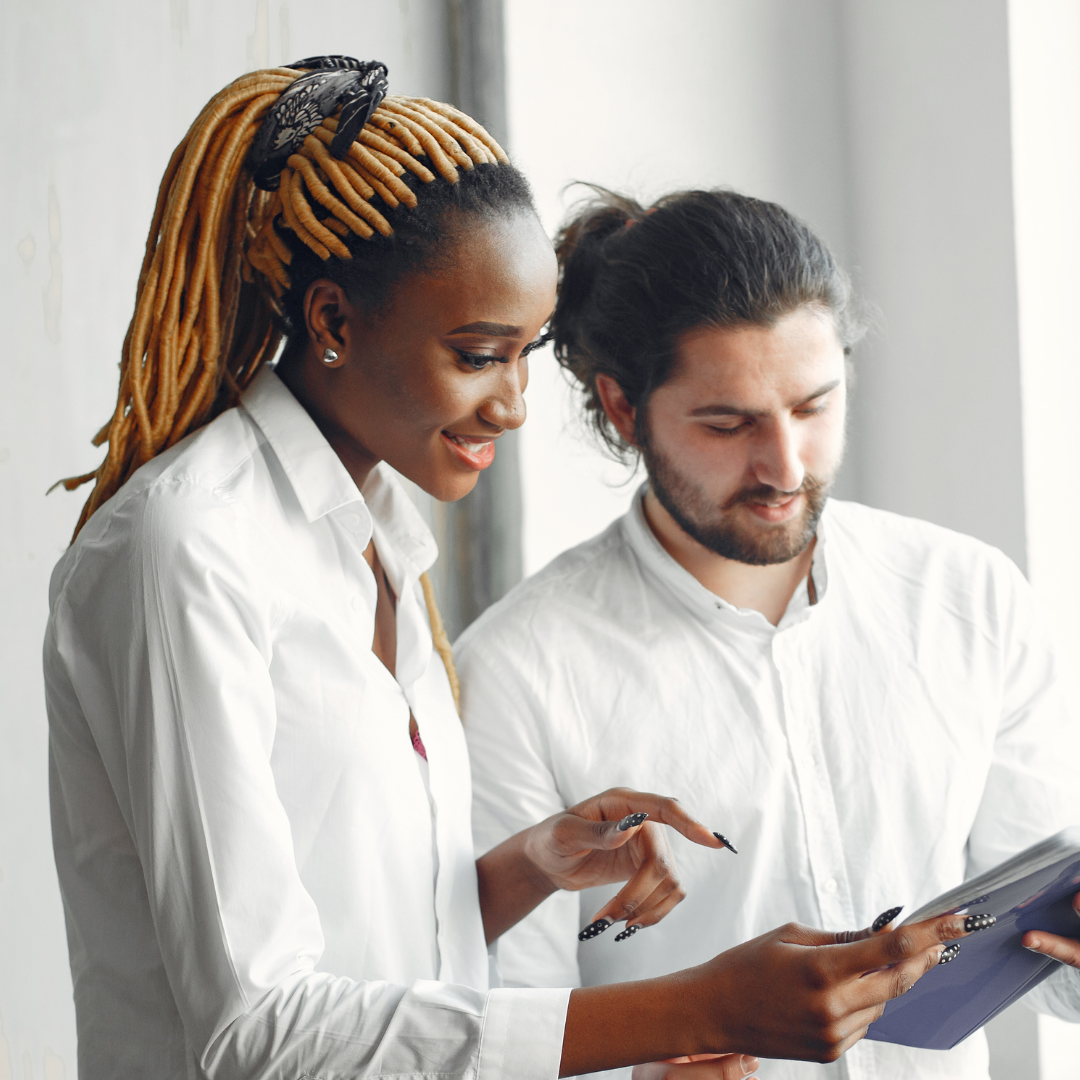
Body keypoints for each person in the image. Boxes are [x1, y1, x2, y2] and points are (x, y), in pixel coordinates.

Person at [44, 64, 977, 1080]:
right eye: (480, 353)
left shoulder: (377, 536)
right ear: (332, 322)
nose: (516, 403)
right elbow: (254, 1033)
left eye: (528, 352)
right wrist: (697, 1006)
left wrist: (526, 871)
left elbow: (377, 951)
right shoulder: (190, 549)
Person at [457, 188, 1080, 1080]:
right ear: (625, 410)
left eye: (814, 406)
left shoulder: (970, 598)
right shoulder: (517, 673)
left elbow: (1048, 965)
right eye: (728, 423)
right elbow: (494, 1028)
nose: (785, 467)